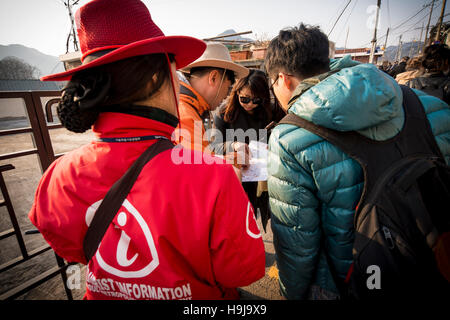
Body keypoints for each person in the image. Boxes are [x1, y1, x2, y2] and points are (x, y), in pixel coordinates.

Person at [28, 0, 265, 300]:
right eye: (174, 73)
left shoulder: (57, 177)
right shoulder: (213, 177)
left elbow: (70, 248)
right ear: (157, 77)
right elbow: (244, 271)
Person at [264, 23, 450, 300]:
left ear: (283, 79)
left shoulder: (289, 138)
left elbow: (297, 244)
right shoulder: (429, 105)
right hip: (434, 265)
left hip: (347, 283)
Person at [210, 69, 284, 220]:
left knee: (259, 218)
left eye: (256, 100)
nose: (250, 104)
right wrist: (234, 145)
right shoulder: (225, 112)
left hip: (264, 178)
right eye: (244, 99)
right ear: (237, 93)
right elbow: (213, 146)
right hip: (236, 177)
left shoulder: (272, 111)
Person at [175, 42, 249, 153]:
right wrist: (236, 161)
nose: (226, 96)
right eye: (228, 88)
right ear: (213, 78)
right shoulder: (186, 114)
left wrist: (231, 148)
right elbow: (199, 166)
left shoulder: (192, 107)